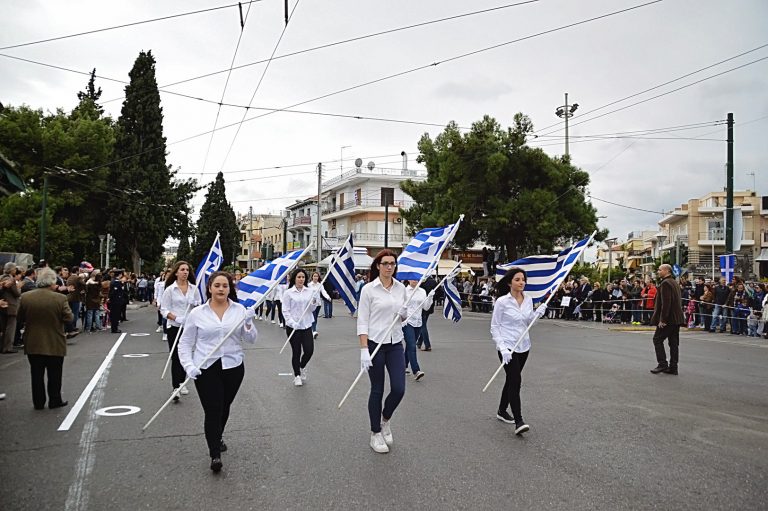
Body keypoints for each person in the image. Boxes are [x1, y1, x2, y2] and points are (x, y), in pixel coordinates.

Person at [178, 271, 257, 473]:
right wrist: (188, 366)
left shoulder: (239, 310)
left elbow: (251, 339)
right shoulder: (197, 313)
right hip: (206, 367)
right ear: (209, 288)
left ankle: (217, 435)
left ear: (230, 289)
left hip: (233, 366)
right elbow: (185, 343)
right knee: (213, 409)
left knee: (224, 406)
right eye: (217, 285)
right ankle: (215, 454)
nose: (221, 289)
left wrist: (248, 323)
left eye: (225, 286)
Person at [357, 249, 408, 454]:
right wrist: (364, 349)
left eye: (392, 263)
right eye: (385, 263)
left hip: (395, 343)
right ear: (378, 266)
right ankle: (375, 433)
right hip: (374, 344)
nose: (389, 267)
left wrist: (404, 314)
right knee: (377, 389)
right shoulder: (368, 290)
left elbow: (403, 317)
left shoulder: (401, 288)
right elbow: (363, 321)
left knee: (399, 388)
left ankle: (385, 419)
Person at [490, 267, 546, 435]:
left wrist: (537, 314)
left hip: (524, 346)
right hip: (507, 347)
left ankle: (501, 410)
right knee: (515, 380)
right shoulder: (502, 302)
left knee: (511, 379)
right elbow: (494, 327)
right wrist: (503, 349)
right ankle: (519, 420)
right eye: (517, 279)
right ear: (509, 283)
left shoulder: (528, 299)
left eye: (523, 279)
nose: (521, 282)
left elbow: (528, 322)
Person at [17, 268, 74, 410]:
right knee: (55, 373)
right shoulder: (60, 298)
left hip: (33, 340)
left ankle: (38, 401)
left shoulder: (26, 297)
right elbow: (69, 318)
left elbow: (20, 317)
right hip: (54, 340)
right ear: (52, 282)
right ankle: (55, 399)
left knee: (36, 373)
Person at [161, 261, 202, 400]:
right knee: (175, 356)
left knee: (186, 354)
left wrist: (195, 303)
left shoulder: (194, 289)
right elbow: (164, 309)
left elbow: (200, 306)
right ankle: (175, 386)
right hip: (174, 326)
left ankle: (182, 382)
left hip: (189, 327)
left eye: (187, 270)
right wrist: (176, 318)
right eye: (182, 269)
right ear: (176, 272)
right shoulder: (170, 290)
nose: (185, 272)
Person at [282, 269, 321, 386]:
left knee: (309, 351)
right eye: (299, 277)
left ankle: (302, 366)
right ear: (294, 278)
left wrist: (314, 300)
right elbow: (285, 310)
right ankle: (297, 375)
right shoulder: (288, 293)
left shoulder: (309, 291)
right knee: (296, 351)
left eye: (303, 277)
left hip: (306, 325)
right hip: (293, 327)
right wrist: (292, 322)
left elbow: (312, 309)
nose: (301, 279)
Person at [649, 264, 685, 375]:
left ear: (667, 271)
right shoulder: (674, 282)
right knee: (673, 343)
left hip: (669, 319)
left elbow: (666, 303)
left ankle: (662, 364)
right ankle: (673, 367)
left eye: (660, 270)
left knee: (657, 339)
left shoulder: (665, 283)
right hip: (676, 318)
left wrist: (663, 319)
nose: (658, 272)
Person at [402, 279, 432, 381]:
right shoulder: (404, 291)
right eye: (413, 278)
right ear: (408, 279)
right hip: (407, 322)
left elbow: (426, 307)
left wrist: (430, 297)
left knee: (410, 345)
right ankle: (416, 370)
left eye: (417, 278)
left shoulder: (422, 291)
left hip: (418, 321)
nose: (415, 280)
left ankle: (404, 365)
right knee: (411, 345)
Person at [1, 263, 21, 353]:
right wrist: (19, 287)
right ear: (12, 270)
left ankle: (2, 346)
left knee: (3, 327)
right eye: (14, 269)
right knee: (10, 328)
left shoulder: (1, 277)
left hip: (3, 305)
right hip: (11, 305)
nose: (15, 270)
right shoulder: (11, 279)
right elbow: (17, 293)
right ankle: (8, 347)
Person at [417, 273, 437, 350]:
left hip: (421, 305)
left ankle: (427, 344)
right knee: (424, 324)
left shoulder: (421, 281)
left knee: (423, 325)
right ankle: (419, 342)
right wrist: (433, 298)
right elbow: (439, 292)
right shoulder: (433, 282)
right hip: (430, 305)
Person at [306, 271, 330, 339]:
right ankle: (314, 331)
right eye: (314, 276)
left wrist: (328, 297)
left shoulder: (320, 285)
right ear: (312, 277)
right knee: (313, 317)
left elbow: (323, 292)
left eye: (317, 276)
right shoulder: (309, 285)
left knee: (315, 317)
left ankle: (312, 329)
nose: (315, 277)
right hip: (311, 304)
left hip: (318, 303)